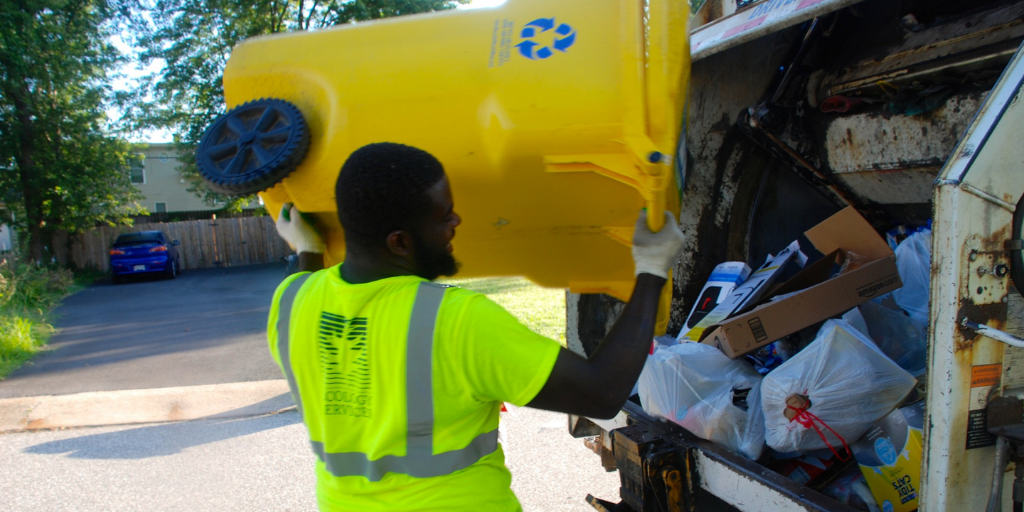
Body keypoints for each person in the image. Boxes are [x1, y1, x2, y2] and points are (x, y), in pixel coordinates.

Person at [270, 142, 685, 512]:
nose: (456, 221)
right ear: (399, 242)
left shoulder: (290, 303)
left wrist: (308, 249)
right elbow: (600, 393)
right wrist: (651, 270)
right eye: (442, 216)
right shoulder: (454, 321)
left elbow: (308, 283)